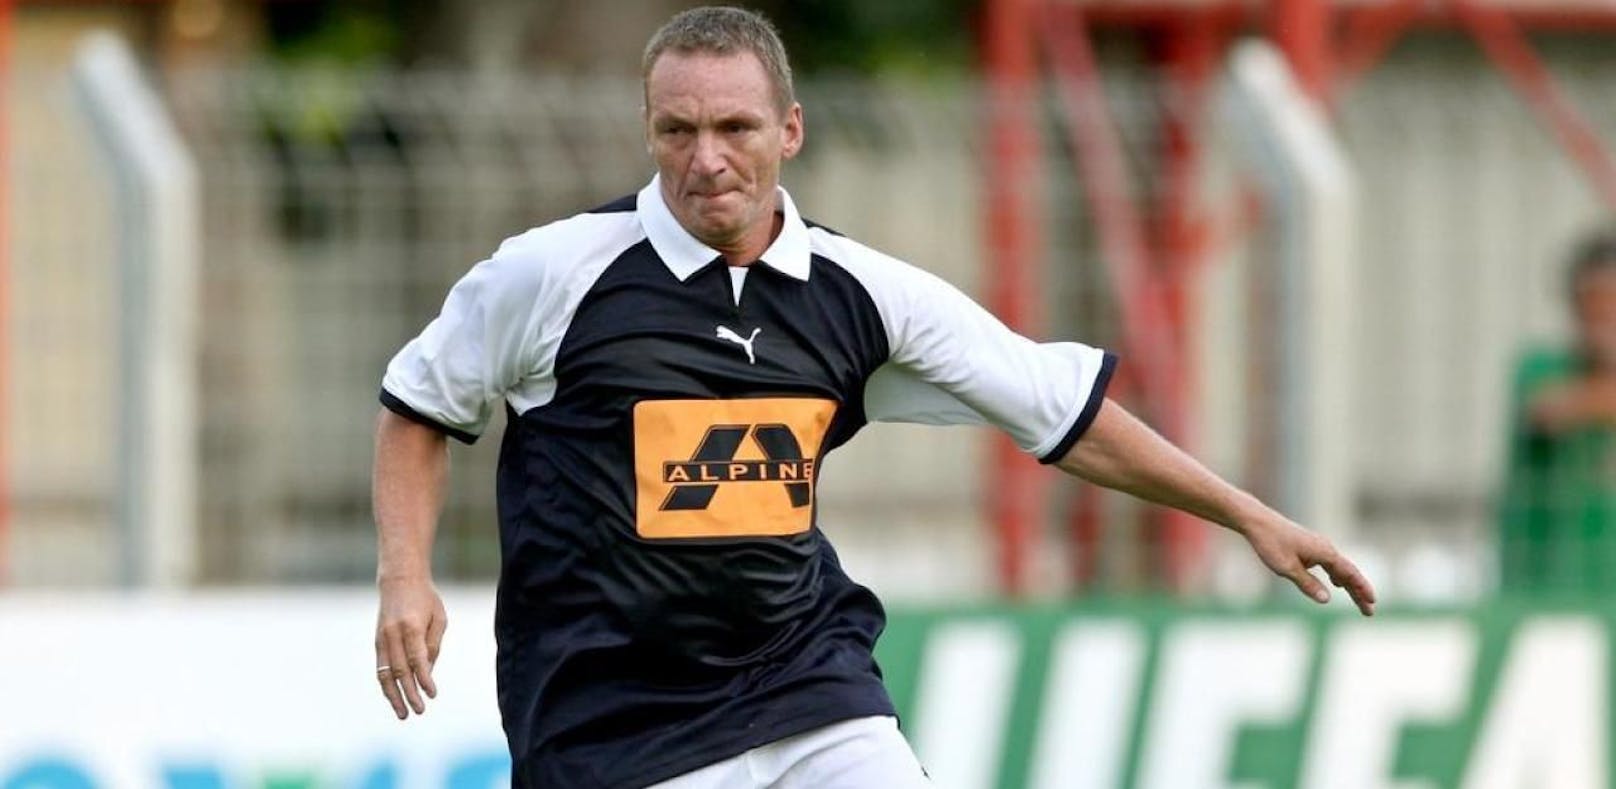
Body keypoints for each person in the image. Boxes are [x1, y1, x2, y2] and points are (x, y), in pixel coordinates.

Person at [371, 7, 1375, 788]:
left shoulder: (861, 292)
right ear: (648, 128)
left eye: (734, 127)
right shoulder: (550, 275)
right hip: (612, 721)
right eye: (677, 130)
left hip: (807, 686)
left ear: (790, 130)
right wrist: (405, 577)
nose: (705, 159)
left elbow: (1058, 412)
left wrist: (1245, 514)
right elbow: (418, 405)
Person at [1499, 230, 1616, 596]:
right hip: (1548, 588)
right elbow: (1548, 409)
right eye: (1592, 310)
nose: (1602, 325)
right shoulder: (1543, 369)